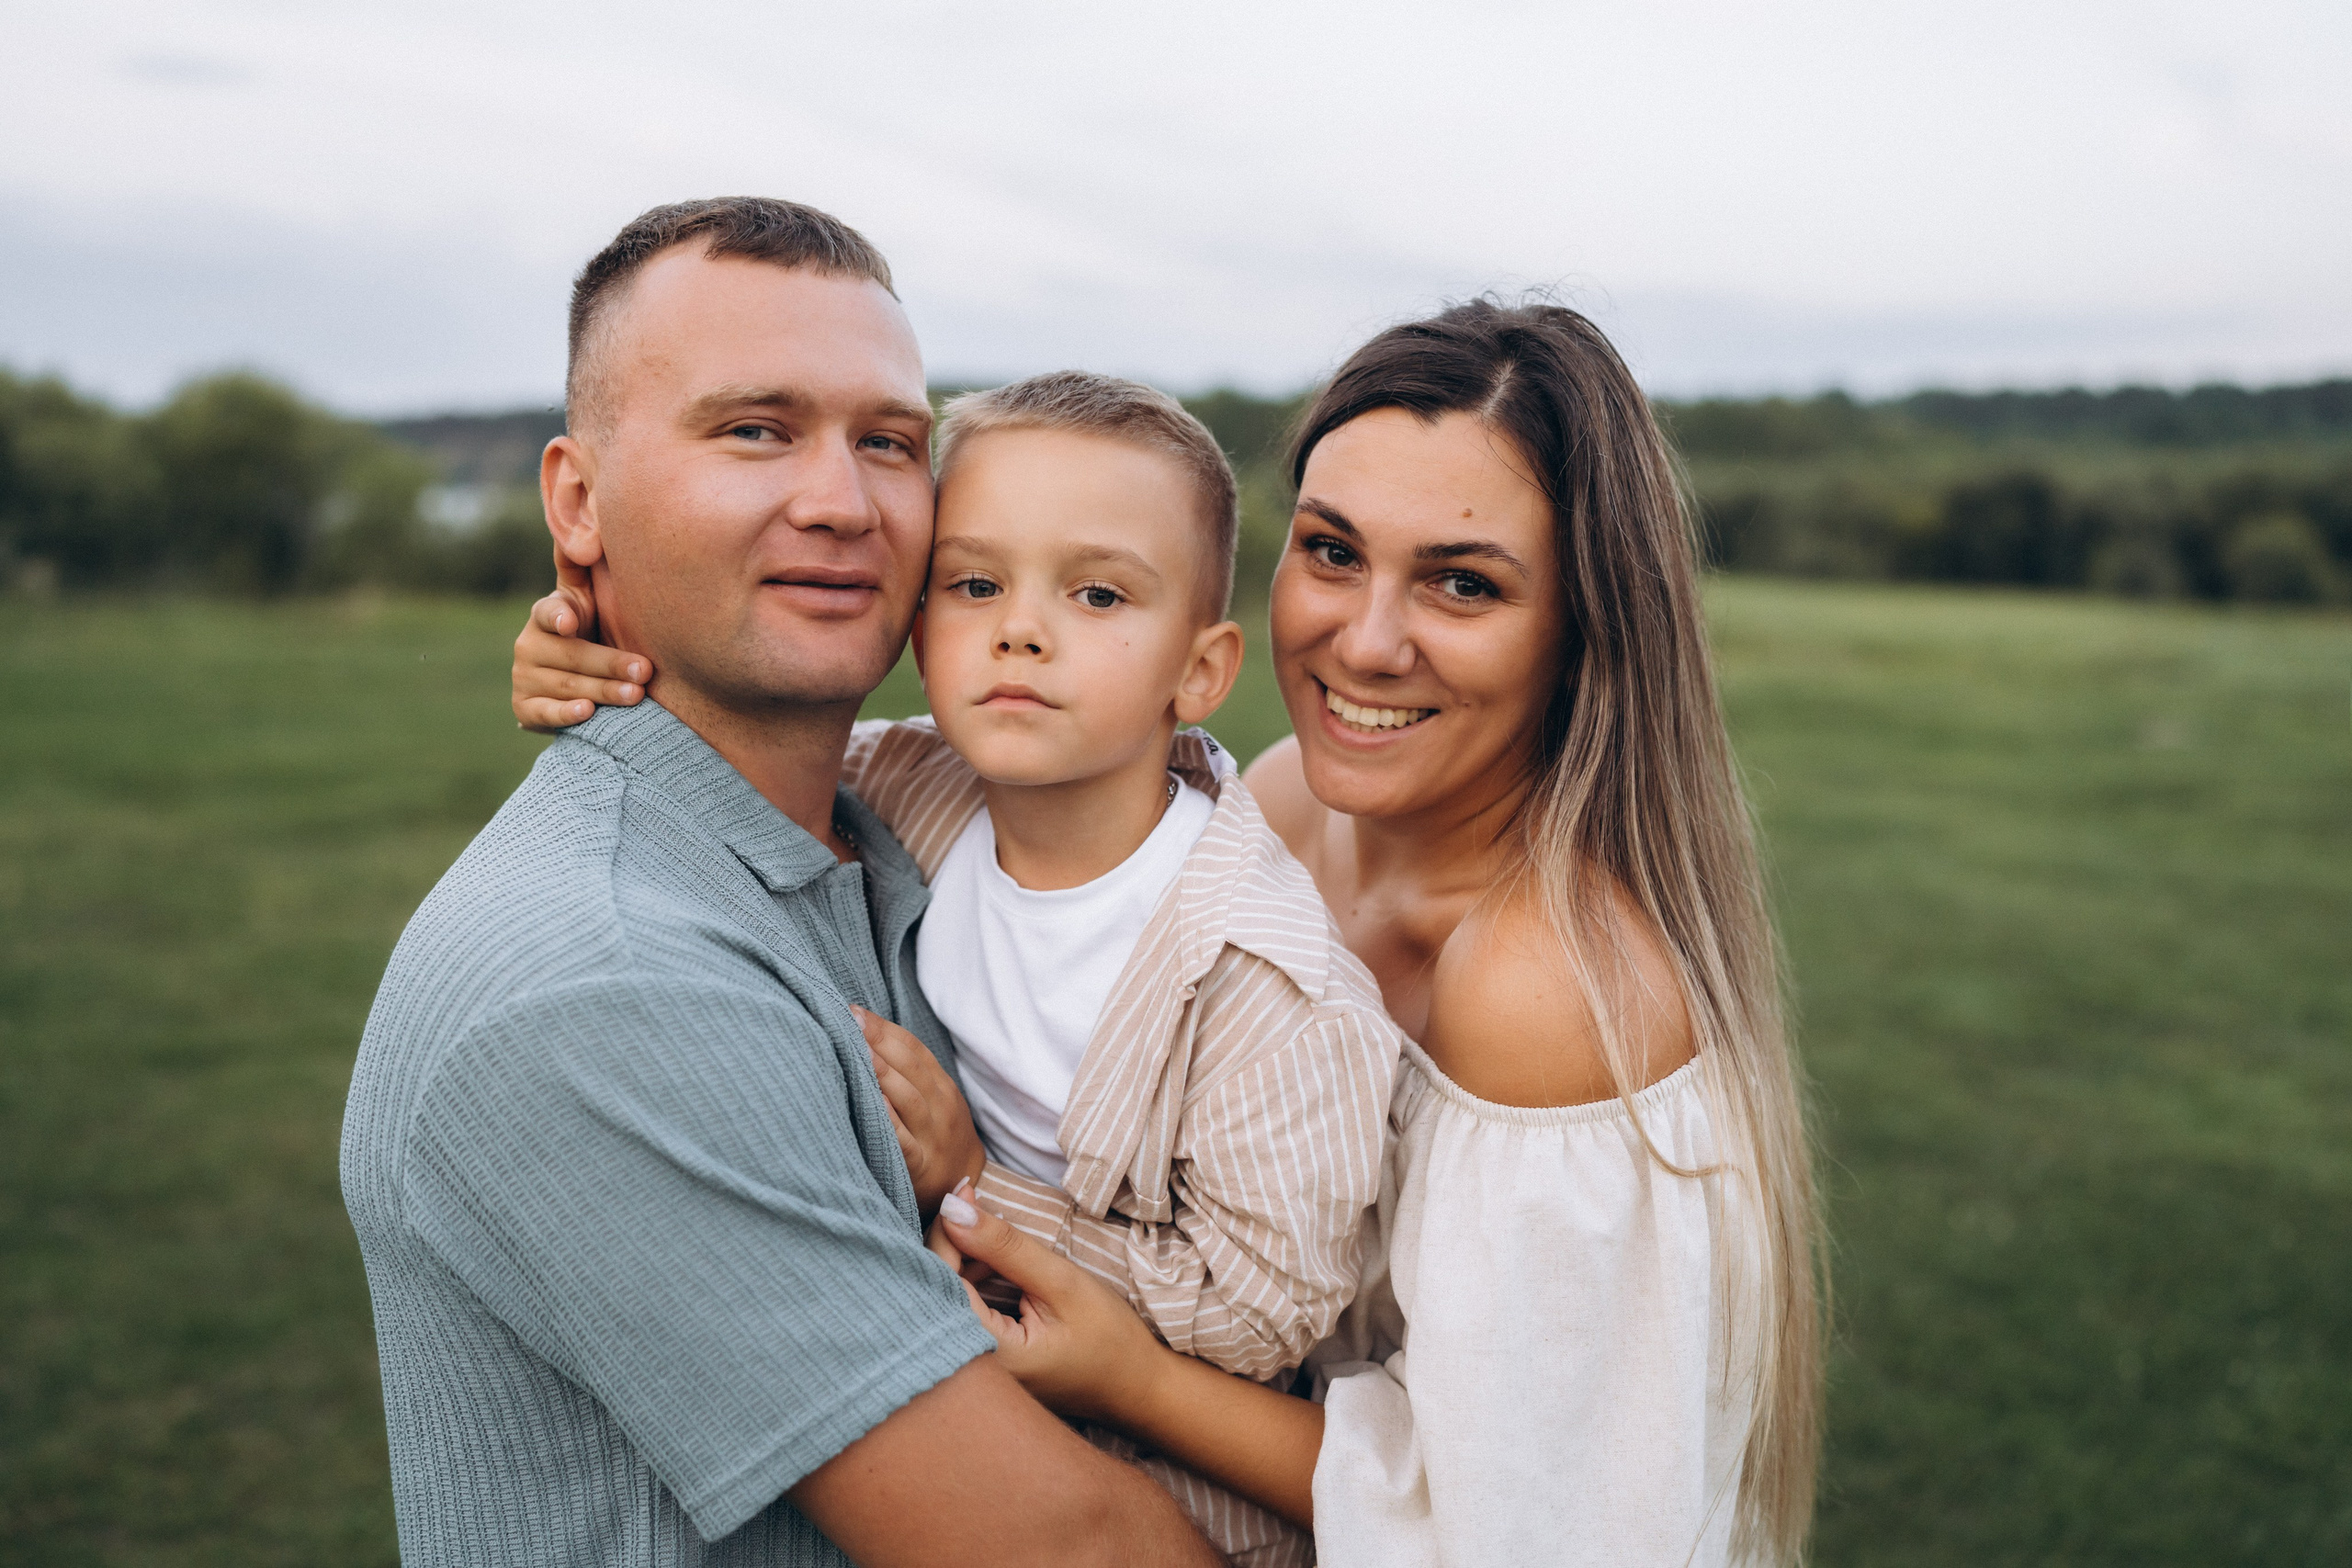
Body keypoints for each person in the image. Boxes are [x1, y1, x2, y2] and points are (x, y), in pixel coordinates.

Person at [340, 197, 1222, 1568]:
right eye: (756, 430)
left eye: (890, 443)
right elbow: (1077, 1552)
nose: (842, 502)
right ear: (577, 502)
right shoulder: (604, 982)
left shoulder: (913, 830)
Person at [920, 300, 1829, 1566]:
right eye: (1333, 552)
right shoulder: (1284, 804)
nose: (1366, 640)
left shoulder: (1542, 987)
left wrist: (1133, 1376)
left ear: (1582, 633)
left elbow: (1518, 1530)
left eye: (1464, 583)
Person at [515, 369, 1407, 1566]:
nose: (1020, 629)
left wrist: (975, 1184)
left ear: (1200, 671)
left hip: (1190, 1508)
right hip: (962, 1423)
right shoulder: (910, 786)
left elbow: (1256, 1317)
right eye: (975, 584)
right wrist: (584, 662)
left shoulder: (1268, 989)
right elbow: (727, 744)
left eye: (1097, 593)